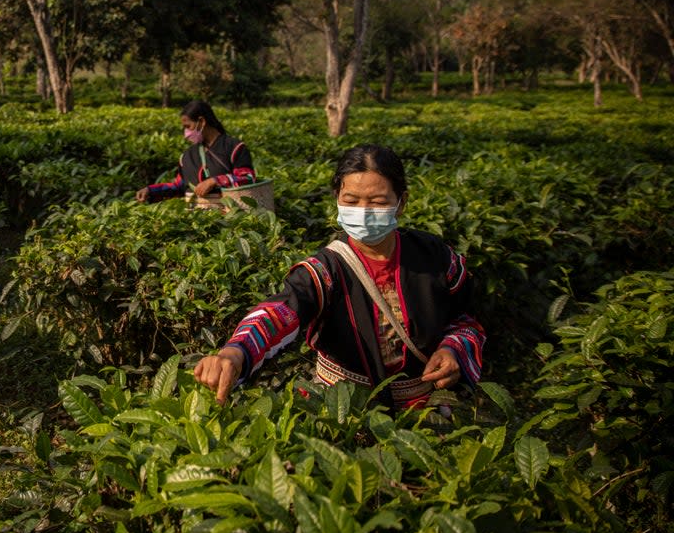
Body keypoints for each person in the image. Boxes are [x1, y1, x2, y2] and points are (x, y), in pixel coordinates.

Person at [193, 144, 485, 411]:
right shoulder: (326, 269)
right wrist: (235, 352)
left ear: (402, 202)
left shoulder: (434, 256)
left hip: (423, 409)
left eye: (378, 201)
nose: (364, 212)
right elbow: (280, 311)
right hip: (344, 410)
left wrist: (452, 350)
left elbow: (465, 317)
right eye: (352, 200)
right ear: (337, 199)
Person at [135, 100, 257, 203]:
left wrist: (215, 181)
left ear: (202, 122)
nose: (186, 133)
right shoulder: (187, 156)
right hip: (196, 220)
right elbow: (179, 186)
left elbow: (248, 178)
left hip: (232, 218)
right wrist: (150, 190)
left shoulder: (234, 147)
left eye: (188, 127)